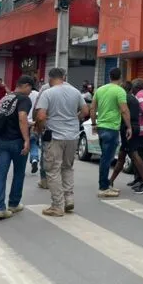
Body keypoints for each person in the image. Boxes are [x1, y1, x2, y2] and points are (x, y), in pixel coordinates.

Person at [35, 67, 89, 216]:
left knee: (53, 170)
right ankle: (69, 199)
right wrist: (73, 120)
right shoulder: (75, 92)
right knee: (68, 167)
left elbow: (40, 116)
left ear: (49, 78)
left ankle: (57, 205)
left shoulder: (48, 93)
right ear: (64, 77)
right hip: (72, 136)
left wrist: (41, 128)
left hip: (55, 136)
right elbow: (85, 111)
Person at [0, 76, 34, 220]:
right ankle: (14, 203)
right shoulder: (24, 99)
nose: (30, 92)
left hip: (1, 140)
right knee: (19, 172)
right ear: (26, 86)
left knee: (0, 173)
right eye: (30, 89)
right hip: (16, 141)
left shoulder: (6, 98)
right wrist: (27, 139)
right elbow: (22, 117)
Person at [90, 67, 132, 198]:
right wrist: (129, 127)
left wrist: (93, 123)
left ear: (109, 76)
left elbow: (92, 108)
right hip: (112, 128)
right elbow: (124, 110)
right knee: (106, 159)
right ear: (120, 78)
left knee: (105, 158)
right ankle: (103, 187)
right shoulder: (120, 91)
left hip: (101, 127)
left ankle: (106, 185)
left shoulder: (100, 89)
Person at [108, 80, 143, 194]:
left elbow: (123, 112)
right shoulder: (133, 98)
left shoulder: (125, 99)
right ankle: (110, 181)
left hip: (129, 129)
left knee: (133, 154)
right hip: (133, 128)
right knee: (122, 155)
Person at [27, 84, 40, 174]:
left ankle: (20, 165)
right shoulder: (38, 95)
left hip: (24, 122)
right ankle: (34, 159)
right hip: (35, 123)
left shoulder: (24, 95)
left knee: (22, 143)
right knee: (33, 143)